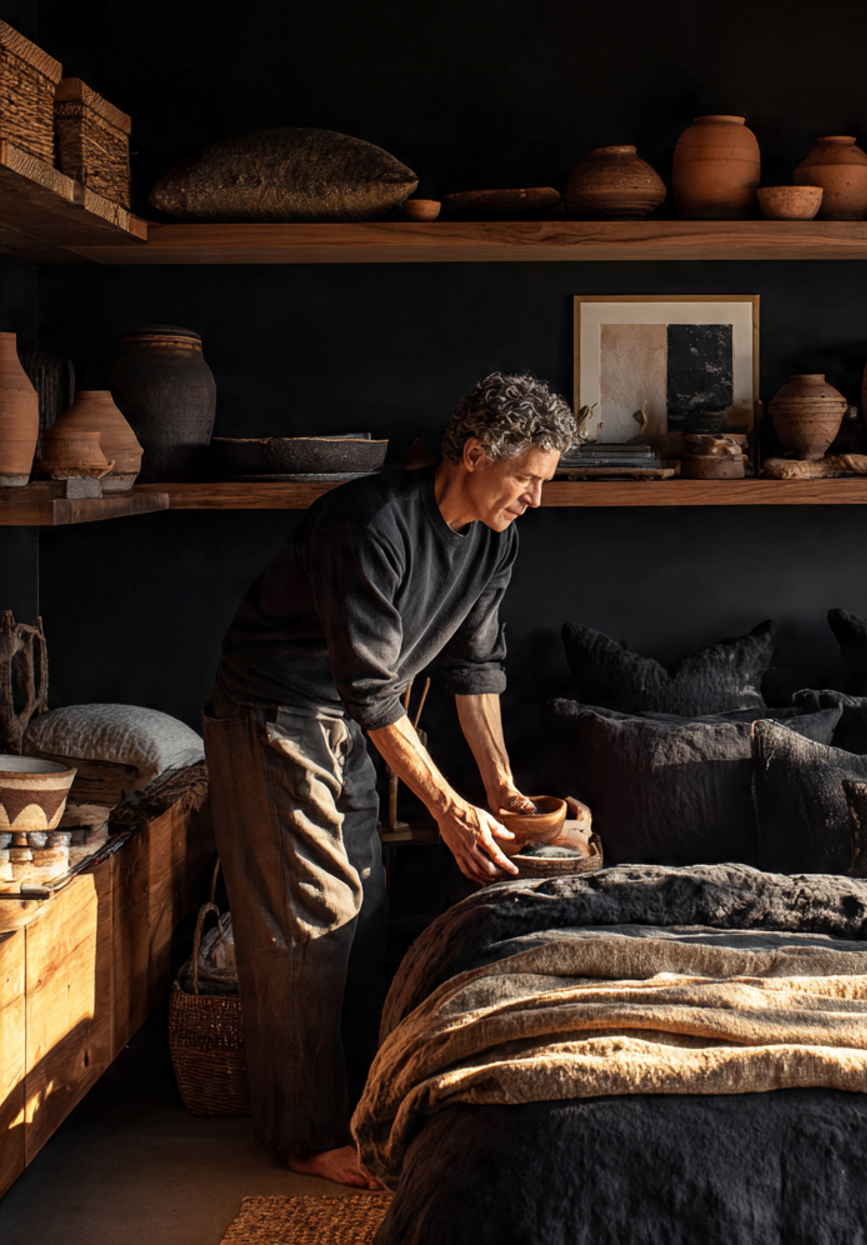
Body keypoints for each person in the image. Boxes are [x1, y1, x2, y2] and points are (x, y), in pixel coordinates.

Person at [202, 372, 577, 1188]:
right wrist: (449, 809)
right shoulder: (370, 523)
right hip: (273, 715)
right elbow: (373, 689)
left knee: (365, 910)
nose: (536, 500)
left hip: (348, 722)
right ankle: (302, 1134)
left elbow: (476, 667)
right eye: (527, 479)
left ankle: (363, 1107)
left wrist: (503, 791)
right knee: (311, 921)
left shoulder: (494, 537)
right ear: (475, 455)